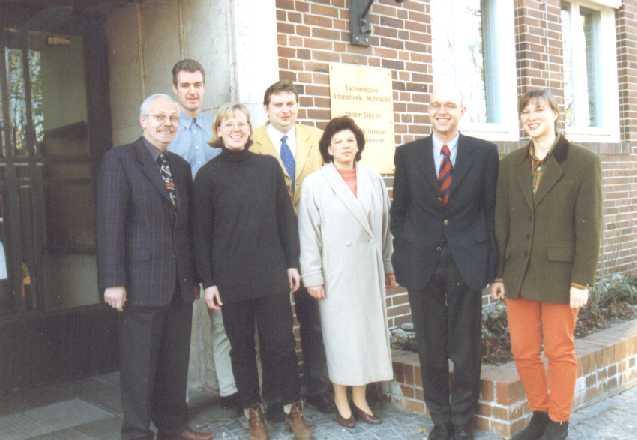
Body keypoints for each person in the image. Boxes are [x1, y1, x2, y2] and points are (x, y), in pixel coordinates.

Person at [96, 93, 213, 440]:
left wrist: (195, 277)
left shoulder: (179, 165)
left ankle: (172, 427)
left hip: (179, 284)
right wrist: (113, 280)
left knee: (174, 364)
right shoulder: (120, 160)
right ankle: (136, 432)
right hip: (140, 283)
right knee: (139, 368)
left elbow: (187, 228)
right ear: (142, 121)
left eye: (172, 118)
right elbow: (110, 223)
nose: (166, 124)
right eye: (158, 117)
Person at [193, 103, 312, 440]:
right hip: (230, 279)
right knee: (241, 347)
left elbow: (285, 218)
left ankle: (293, 409)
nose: (235, 128)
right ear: (218, 131)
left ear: (249, 129)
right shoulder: (207, 176)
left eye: (241, 123)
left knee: (281, 344)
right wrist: (208, 282)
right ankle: (253, 413)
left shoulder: (268, 167)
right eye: (228, 123)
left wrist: (292, 262)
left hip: (271, 271)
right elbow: (200, 235)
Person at [490, 89, 601, 440]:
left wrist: (581, 282)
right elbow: (501, 223)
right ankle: (538, 413)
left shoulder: (583, 161)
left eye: (539, 109)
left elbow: (589, 226)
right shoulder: (509, 164)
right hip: (518, 274)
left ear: (556, 113)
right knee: (523, 351)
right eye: (525, 111)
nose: (530, 116)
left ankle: (558, 420)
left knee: (559, 351)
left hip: (560, 275)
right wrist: (498, 274)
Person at [390, 85, 499, 440]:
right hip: (423, 261)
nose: (442, 110)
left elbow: (491, 210)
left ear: (462, 110)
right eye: (436, 104)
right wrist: (407, 250)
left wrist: (492, 265)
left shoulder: (484, 153)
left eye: (449, 104)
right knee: (430, 347)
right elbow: (400, 210)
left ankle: (463, 423)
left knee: (466, 348)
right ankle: (441, 422)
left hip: (467, 260)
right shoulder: (408, 154)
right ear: (428, 111)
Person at [298, 116, 395, 428]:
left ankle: (361, 397)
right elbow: (308, 234)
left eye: (350, 141)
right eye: (338, 141)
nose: (345, 146)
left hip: (368, 270)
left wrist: (388, 266)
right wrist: (312, 276)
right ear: (328, 147)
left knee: (365, 335)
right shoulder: (316, 183)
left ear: (358, 145)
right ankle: (340, 398)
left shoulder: (373, 179)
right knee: (341, 337)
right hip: (336, 271)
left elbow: (385, 230)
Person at [251, 80, 334, 417]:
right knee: (273, 322)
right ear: (267, 109)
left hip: (311, 241)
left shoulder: (316, 138)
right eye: (278, 105)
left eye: (290, 104)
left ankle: (318, 387)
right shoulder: (252, 141)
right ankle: (277, 394)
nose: (285, 110)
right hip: (269, 243)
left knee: (313, 318)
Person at [168, 58, 239, 410]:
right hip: (179, 236)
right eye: (185, 86)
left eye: (197, 84)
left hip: (214, 235)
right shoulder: (168, 129)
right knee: (178, 324)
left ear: (204, 86)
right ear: (175, 89)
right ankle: (175, 402)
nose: (192, 91)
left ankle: (228, 389)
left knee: (222, 317)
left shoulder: (216, 129)